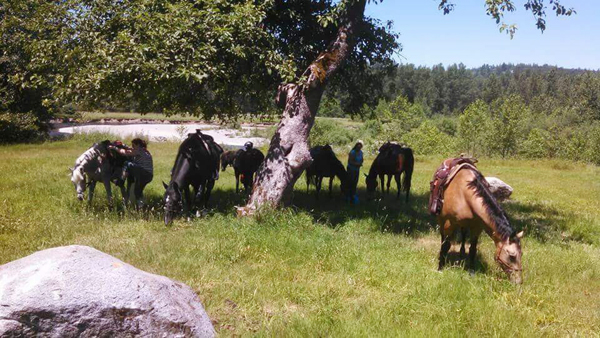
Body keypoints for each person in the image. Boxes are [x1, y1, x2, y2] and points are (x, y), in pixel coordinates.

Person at [110, 138, 153, 209]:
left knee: (128, 164)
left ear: (138, 145)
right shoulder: (144, 150)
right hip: (148, 176)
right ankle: (141, 207)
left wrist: (114, 148)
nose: (132, 147)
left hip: (143, 173)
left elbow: (124, 153)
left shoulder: (140, 150)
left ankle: (121, 181)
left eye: (133, 145)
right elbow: (130, 149)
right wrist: (122, 145)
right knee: (138, 192)